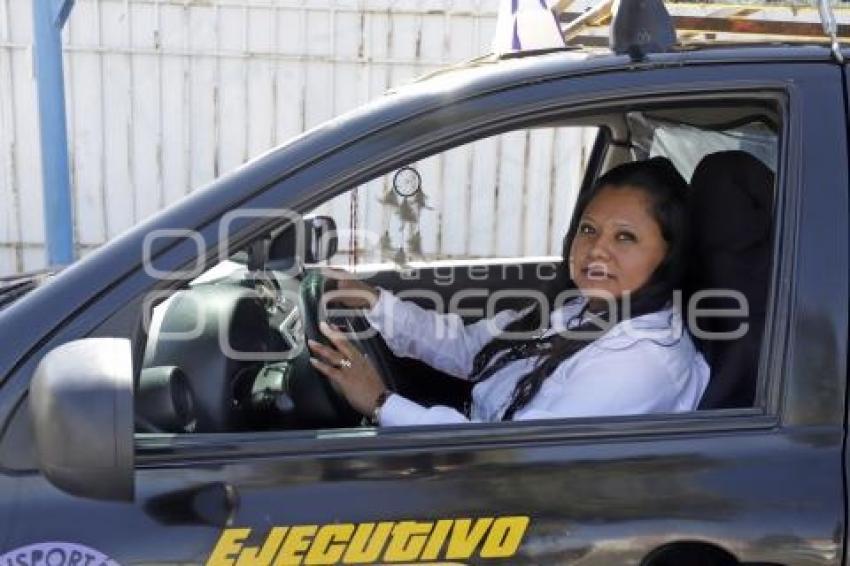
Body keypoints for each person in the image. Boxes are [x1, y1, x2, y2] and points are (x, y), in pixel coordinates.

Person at [308, 157, 710, 426]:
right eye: (588, 229)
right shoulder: (579, 308)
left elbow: (512, 456)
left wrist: (380, 403)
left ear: (669, 254)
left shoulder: (641, 362)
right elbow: (469, 347)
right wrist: (374, 301)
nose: (597, 248)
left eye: (625, 237)